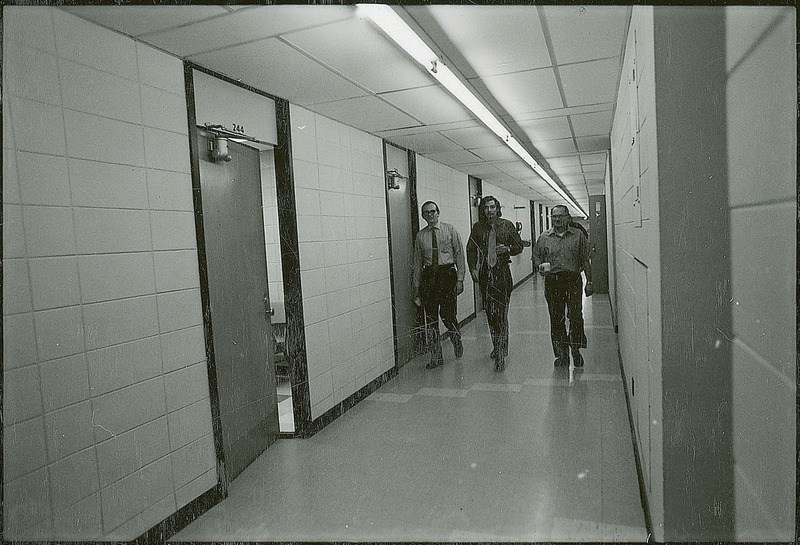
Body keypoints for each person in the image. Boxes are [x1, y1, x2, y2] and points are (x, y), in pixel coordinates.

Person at [466, 196, 524, 371]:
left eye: (492, 207)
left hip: (502, 274)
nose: (489, 211)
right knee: (491, 315)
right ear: (482, 210)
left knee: (501, 315)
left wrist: (507, 248)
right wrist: (473, 269)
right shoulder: (478, 228)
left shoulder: (507, 225)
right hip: (485, 274)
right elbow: (470, 249)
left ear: (497, 208)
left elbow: (519, 247)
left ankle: (500, 352)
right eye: (486, 208)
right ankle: (497, 346)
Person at [532, 205, 593, 368]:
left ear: (568, 217)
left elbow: (585, 259)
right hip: (553, 282)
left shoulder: (578, 235)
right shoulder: (544, 237)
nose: (557, 219)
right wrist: (540, 267)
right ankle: (562, 354)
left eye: (560, 216)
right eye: (554, 216)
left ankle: (576, 350)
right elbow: (536, 256)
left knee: (575, 316)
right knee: (556, 319)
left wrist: (590, 282)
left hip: (573, 280)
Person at [412, 201, 466, 369]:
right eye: (426, 213)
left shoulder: (450, 230)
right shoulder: (421, 236)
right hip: (429, 277)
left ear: (438, 212)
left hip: (447, 275)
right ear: (423, 216)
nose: (430, 215)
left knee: (448, 315)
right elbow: (417, 262)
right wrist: (416, 286)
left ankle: (456, 339)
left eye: (433, 211)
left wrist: (460, 279)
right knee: (431, 318)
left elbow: (459, 255)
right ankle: (436, 356)